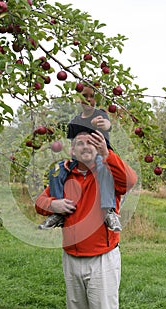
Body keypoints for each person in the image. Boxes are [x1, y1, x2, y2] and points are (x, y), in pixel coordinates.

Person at [35, 131, 137, 309]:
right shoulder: (65, 176)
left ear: (98, 147)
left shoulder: (108, 173)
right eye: (79, 143)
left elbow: (130, 181)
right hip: (71, 257)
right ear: (72, 150)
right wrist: (54, 205)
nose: (85, 147)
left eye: (91, 143)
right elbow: (40, 202)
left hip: (102, 258)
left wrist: (107, 153)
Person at [38, 85, 122, 231]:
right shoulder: (74, 121)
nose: (88, 99)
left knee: (104, 169)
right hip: (79, 158)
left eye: (92, 96)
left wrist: (106, 124)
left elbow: (108, 126)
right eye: (85, 96)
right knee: (56, 170)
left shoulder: (100, 114)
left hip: (101, 156)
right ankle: (59, 211)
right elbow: (72, 144)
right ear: (78, 98)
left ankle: (109, 210)